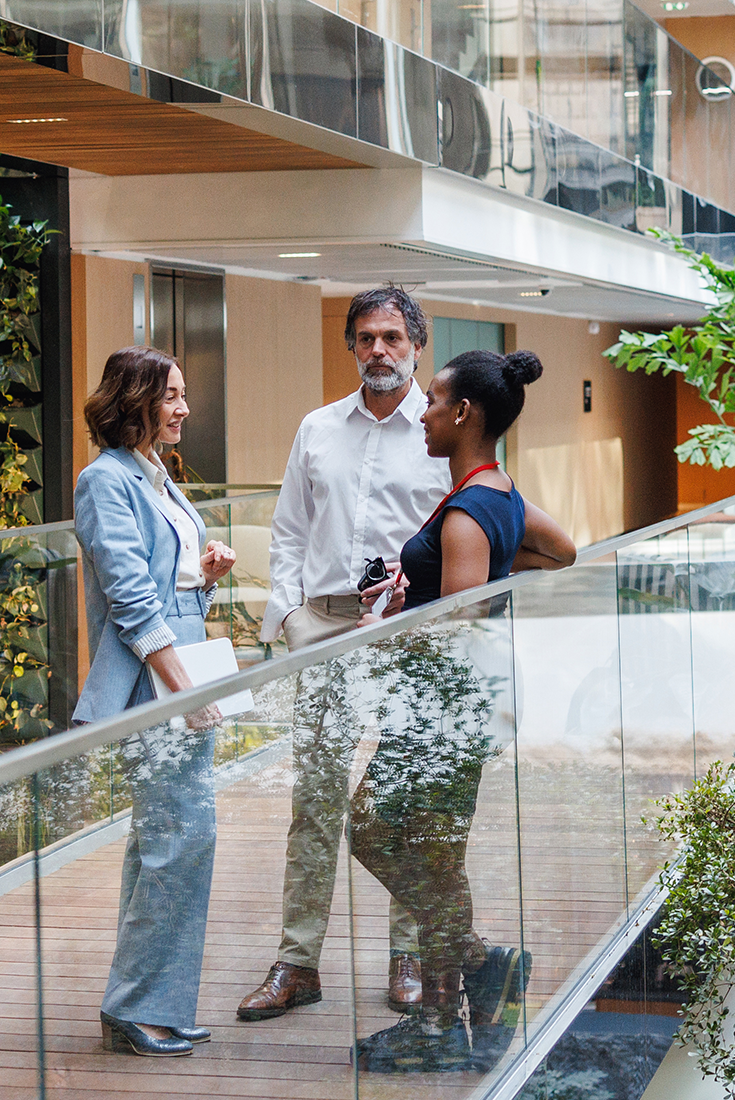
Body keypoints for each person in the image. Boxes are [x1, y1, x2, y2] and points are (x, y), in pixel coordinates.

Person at [348, 348, 577, 1073]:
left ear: (464, 413)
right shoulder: (497, 493)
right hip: (462, 716)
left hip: (438, 718)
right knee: (434, 857)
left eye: (435, 401)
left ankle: (481, 966)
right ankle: (443, 1024)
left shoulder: (468, 514)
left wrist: (380, 630)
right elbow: (563, 550)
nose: (424, 412)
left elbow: (454, 631)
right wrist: (426, 586)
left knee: (371, 832)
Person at [237, 287, 451, 1023]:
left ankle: (410, 952)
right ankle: (297, 964)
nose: (379, 351)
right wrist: (292, 615)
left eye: (392, 337)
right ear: (352, 346)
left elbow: (468, 536)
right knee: (315, 797)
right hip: (323, 626)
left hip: (408, 633)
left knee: (406, 799)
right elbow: (288, 529)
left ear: (417, 344)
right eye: (366, 338)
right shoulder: (318, 427)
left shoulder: (441, 432)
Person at [73, 346, 237, 1058]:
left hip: (178, 664)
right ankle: (139, 1006)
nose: (183, 408)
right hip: (158, 679)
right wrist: (182, 688)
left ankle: (147, 1004)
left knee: (165, 839)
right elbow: (130, 599)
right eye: (170, 396)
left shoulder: (156, 476)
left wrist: (204, 573)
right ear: (134, 400)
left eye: (182, 395)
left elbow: (165, 586)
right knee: (181, 838)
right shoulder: (103, 480)